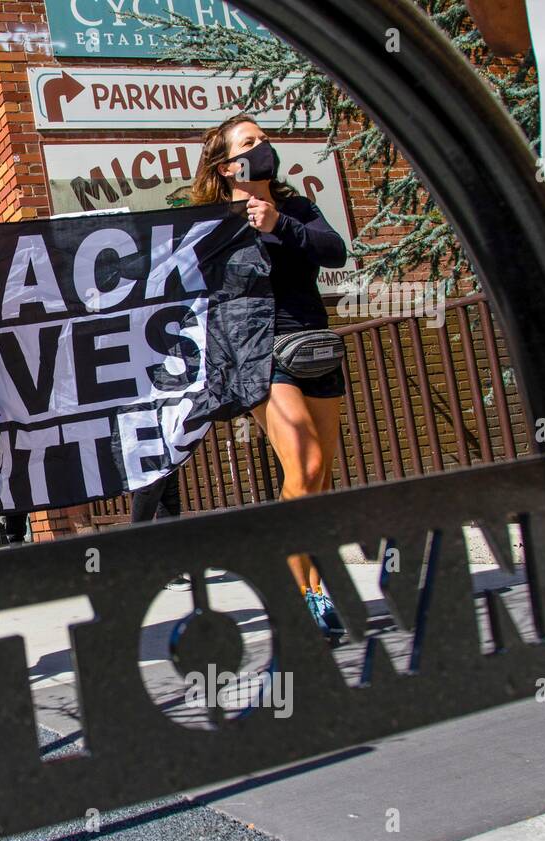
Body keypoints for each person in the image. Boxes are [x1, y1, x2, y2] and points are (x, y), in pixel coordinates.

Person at [194, 113, 348, 637]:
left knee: (318, 479)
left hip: (314, 348)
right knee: (302, 463)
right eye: (250, 142)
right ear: (227, 164)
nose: (264, 147)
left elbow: (334, 251)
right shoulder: (212, 222)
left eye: (264, 140)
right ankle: (307, 593)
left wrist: (278, 223)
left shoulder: (298, 207)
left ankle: (304, 575)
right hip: (264, 354)